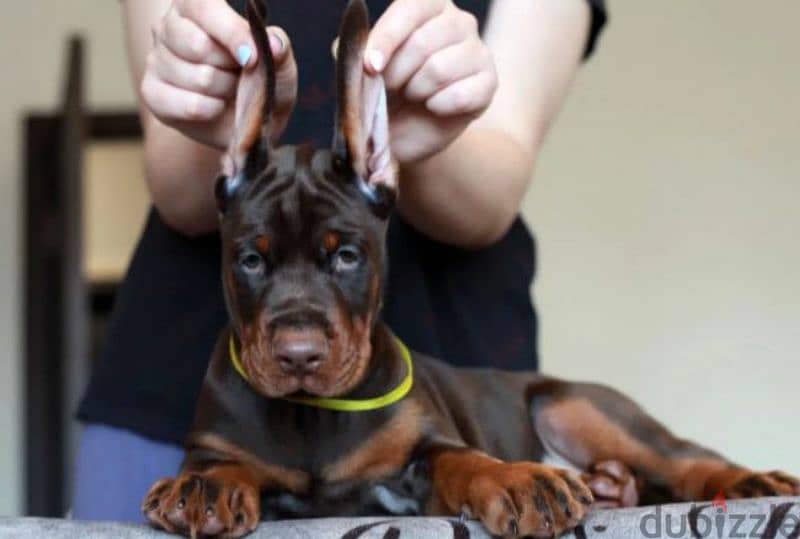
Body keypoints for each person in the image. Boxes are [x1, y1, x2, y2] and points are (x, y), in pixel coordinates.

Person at [74, 0, 607, 522]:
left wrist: (394, 143)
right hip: (178, 400)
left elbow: (491, 200)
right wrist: (224, 123)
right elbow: (177, 195)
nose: (298, 344)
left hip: (446, 396)